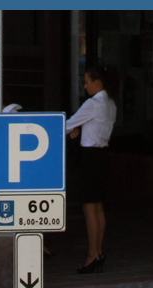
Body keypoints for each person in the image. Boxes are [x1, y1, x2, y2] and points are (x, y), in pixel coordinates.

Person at [66, 66, 118, 274]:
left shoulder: (93, 103)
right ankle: (97, 251)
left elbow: (67, 124)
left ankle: (92, 253)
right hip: (103, 155)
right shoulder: (111, 104)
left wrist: (75, 128)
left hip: (89, 157)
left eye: (87, 82)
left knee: (89, 207)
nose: (85, 85)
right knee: (97, 207)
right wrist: (80, 127)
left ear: (98, 83)